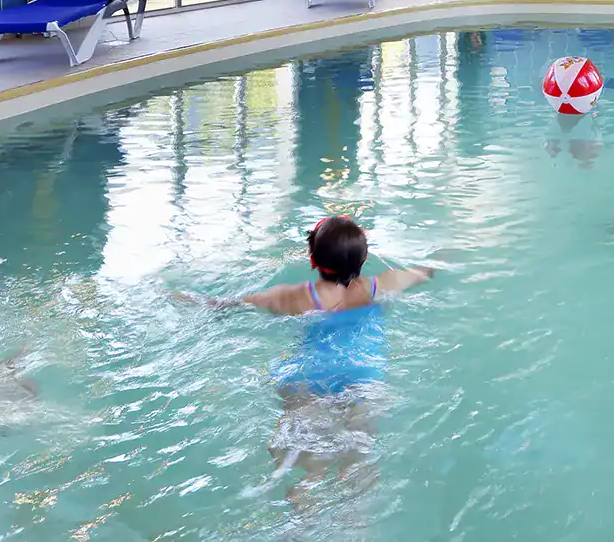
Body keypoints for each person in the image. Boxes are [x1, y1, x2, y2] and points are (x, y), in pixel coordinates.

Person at [172, 216, 434, 503]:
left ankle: (303, 507)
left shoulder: (294, 297)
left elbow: (223, 305)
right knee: (357, 459)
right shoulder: (378, 286)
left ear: (312, 260)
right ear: (365, 258)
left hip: (306, 377)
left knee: (308, 467)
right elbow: (424, 272)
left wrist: (175, 296)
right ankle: (355, 520)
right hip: (362, 376)